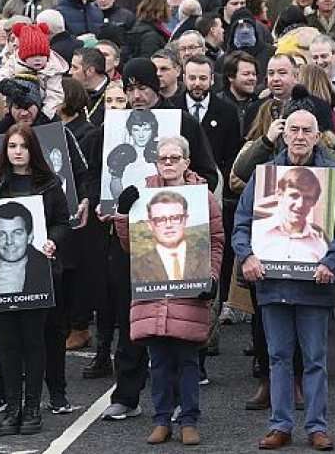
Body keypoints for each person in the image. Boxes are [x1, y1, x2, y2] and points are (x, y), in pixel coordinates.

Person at [232, 109, 335, 451]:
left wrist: (331, 261)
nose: (300, 136)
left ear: (318, 137)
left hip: (317, 282)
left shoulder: (334, 175)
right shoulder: (266, 175)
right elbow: (242, 222)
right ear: (284, 135)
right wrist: (247, 256)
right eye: (294, 130)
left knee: (315, 358)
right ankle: (281, 425)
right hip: (272, 283)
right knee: (278, 357)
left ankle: (316, 426)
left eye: (307, 131)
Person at [116, 135, 223, 446]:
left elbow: (216, 241)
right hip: (152, 293)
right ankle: (161, 419)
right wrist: (124, 215)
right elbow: (130, 246)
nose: (169, 164)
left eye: (175, 158)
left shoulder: (203, 198)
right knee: (159, 363)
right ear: (156, 162)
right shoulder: (143, 193)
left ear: (187, 162)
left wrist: (212, 278)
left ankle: (189, 419)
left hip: (189, 293)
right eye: (163, 158)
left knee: (188, 361)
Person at [0, 124, 69, 436]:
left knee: (33, 342)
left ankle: (31, 408)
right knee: (8, 345)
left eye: (23, 146)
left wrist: (53, 241)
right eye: (12, 146)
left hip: (38, 277)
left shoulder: (49, 184)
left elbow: (61, 223)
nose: (16, 151)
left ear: (32, 150)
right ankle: (12, 407)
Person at [251, 167, 328, 263]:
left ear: (314, 202)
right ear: (279, 195)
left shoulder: (320, 246)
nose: (300, 204)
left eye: (308, 198)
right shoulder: (257, 232)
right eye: (294, 196)